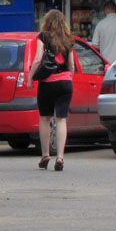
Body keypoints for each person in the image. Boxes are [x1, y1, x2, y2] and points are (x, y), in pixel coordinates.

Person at [32, 9, 76, 171]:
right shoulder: (68, 40)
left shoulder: (42, 37)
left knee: (44, 118)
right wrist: (69, 77)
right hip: (65, 82)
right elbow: (71, 64)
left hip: (47, 83)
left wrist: (31, 78)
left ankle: (45, 154)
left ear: (47, 22)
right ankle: (60, 157)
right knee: (61, 119)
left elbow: (37, 59)